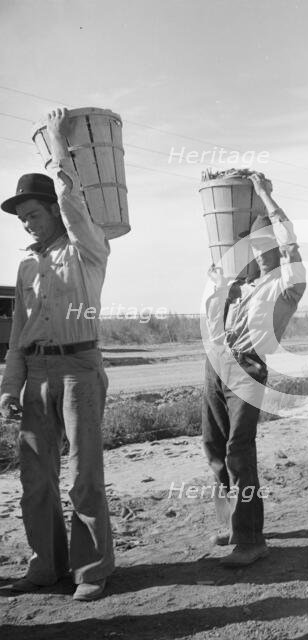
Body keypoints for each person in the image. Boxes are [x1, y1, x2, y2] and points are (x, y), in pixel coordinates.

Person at [0, 108, 114, 600]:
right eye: (21, 218)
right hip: (36, 373)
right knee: (34, 480)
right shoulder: (27, 269)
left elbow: (74, 206)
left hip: (79, 371)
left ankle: (90, 573)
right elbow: (18, 337)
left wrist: (57, 148)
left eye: (33, 214)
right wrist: (9, 387)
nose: (26, 224)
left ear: (53, 211)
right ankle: (46, 567)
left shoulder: (88, 249)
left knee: (83, 478)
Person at [202, 173, 306, 566]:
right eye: (255, 246)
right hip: (215, 366)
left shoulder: (287, 284)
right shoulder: (241, 284)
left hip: (247, 369)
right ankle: (232, 524)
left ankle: (252, 540)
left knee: (238, 451)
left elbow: (288, 238)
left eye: (269, 247)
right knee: (214, 446)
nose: (262, 253)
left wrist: (264, 195)